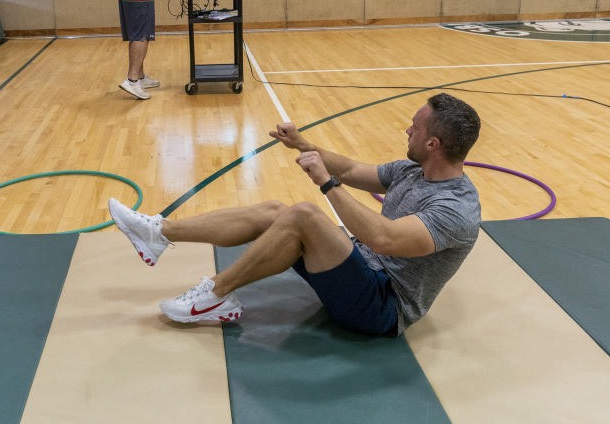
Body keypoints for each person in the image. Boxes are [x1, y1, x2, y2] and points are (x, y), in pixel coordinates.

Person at [109, 93, 481, 336]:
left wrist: (325, 183)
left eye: (414, 128)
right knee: (276, 211)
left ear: (433, 144)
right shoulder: (411, 170)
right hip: (361, 275)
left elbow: (383, 238)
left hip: (382, 308)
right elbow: (351, 170)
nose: (407, 130)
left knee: (305, 213)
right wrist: (303, 144)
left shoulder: (455, 209)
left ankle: (217, 294)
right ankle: (160, 232)